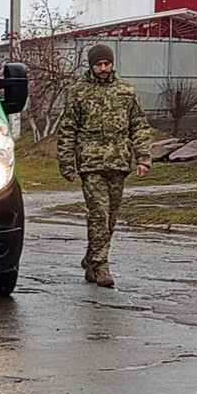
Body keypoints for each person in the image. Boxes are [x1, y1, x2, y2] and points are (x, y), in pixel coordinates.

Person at [57, 43, 151, 289]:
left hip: (119, 162)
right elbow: (68, 130)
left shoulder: (126, 91)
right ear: (91, 66)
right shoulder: (78, 92)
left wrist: (143, 158)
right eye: (99, 64)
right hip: (90, 164)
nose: (103, 69)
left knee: (110, 219)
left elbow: (138, 126)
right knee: (99, 214)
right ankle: (100, 265)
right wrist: (67, 164)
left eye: (107, 64)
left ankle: (90, 258)